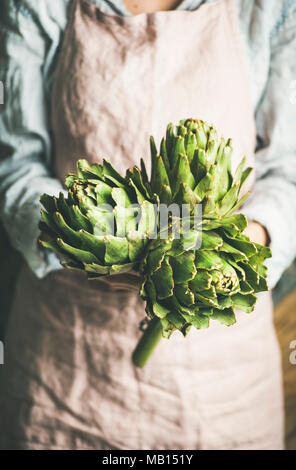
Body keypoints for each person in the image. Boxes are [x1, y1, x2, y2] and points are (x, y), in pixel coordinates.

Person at [0, 0, 295, 450]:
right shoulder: (36, 6)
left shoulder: (273, 8)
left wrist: (232, 253)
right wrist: (84, 243)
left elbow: (289, 172)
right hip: (65, 375)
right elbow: (14, 163)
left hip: (225, 389)